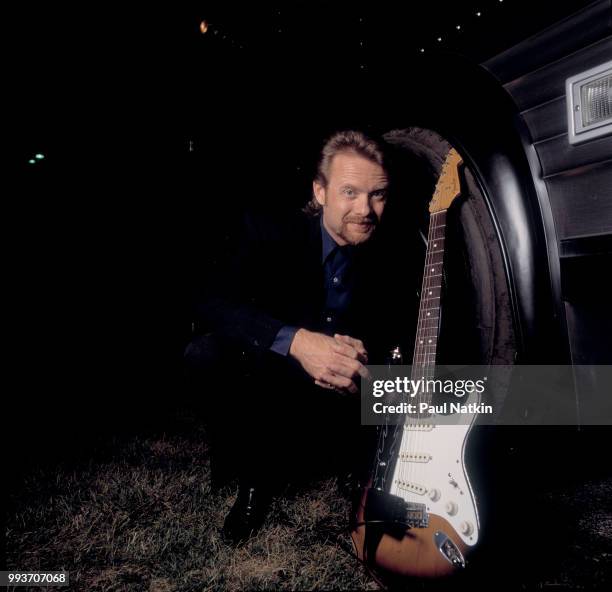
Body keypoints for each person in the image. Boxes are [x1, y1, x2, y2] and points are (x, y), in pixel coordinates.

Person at [184, 129, 418, 544]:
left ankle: (356, 466)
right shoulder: (269, 230)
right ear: (320, 191)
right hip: (274, 381)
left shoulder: (395, 251)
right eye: (349, 192)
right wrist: (295, 340)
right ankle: (252, 480)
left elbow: (401, 336)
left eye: (377, 194)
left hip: (347, 394)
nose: (365, 209)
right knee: (204, 353)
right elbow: (210, 300)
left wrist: (369, 360)